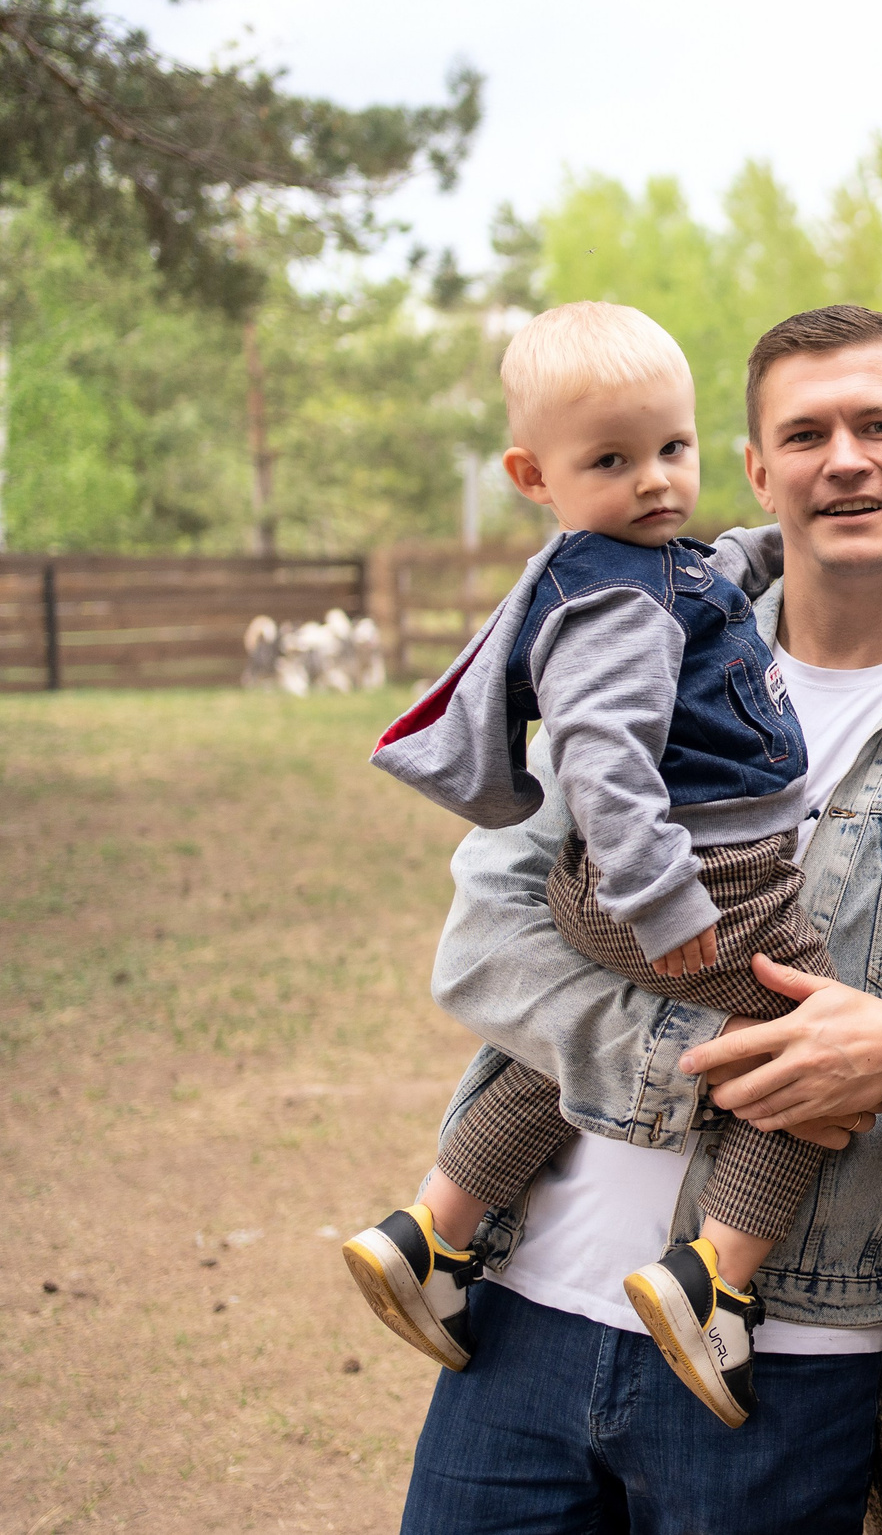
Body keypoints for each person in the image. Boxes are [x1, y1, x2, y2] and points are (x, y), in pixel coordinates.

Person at [399, 304, 882, 1532]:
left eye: (880, 424)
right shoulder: (639, 644)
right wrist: (707, 1067)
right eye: (806, 433)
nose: (844, 459)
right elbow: (484, 943)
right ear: (753, 470)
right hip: (518, 1314)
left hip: (785, 1365)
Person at [351, 299, 841, 1430]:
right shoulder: (612, 602)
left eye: (673, 449)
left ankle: (433, 1229)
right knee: (810, 1059)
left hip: (626, 899)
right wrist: (662, 896)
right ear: (534, 474)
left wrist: (787, 540)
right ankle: (713, 1281)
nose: (656, 481)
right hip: (702, 888)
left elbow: (716, 567)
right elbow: (603, 760)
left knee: (561, 1061)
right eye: (611, 461)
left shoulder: (641, 561)